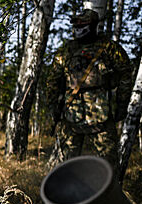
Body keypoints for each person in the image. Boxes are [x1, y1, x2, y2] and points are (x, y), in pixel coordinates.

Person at [47, 9, 132, 170]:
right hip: (71, 115)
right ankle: (65, 194)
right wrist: (54, 108)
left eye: (83, 24)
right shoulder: (66, 50)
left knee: (108, 164)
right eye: (76, 24)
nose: (78, 28)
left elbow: (125, 75)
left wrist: (122, 104)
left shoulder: (109, 48)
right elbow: (53, 80)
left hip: (100, 115)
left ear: (93, 25)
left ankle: (108, 194)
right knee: (65, 165)